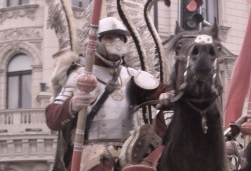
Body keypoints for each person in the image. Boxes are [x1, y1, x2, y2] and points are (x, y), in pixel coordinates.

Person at [46, 17, 169, 171]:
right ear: (96, 42)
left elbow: (162, 91)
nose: (117, 42)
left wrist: (167, 97)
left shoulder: (132, 76)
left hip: (130, 152)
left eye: (121, 38)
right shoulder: (79, 76)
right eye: (109, 37)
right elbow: (52, 118)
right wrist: (72, 104)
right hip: (92, 154)